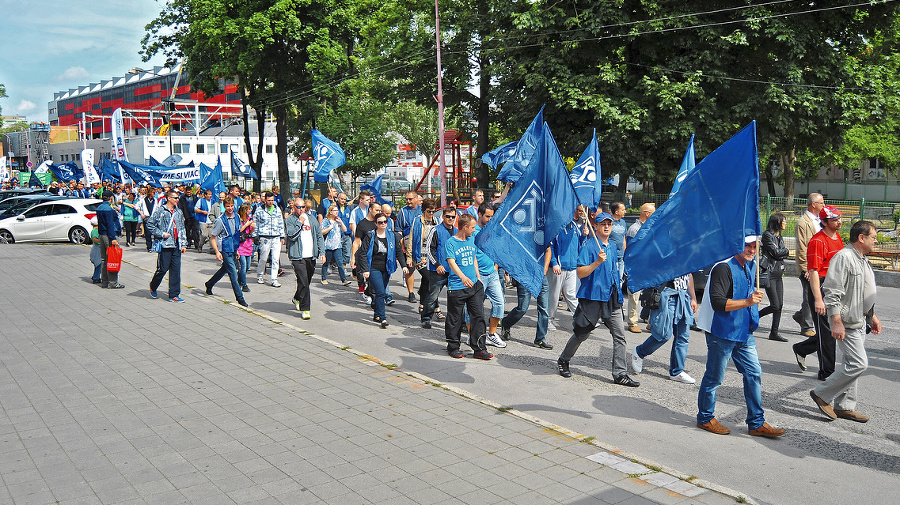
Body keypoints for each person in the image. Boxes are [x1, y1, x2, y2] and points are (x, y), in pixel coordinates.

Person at [695, 237, 785, 438]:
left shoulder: (749, 265)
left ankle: (756, 422)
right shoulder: (723, 268)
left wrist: (750, 301)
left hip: (744, 331)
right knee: (714, 377)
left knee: (754, 373)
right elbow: (719, 303)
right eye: (748, 246)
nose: (752, 250)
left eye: (755, 247)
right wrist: (747, 301)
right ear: (736, 245)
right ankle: (705, 418)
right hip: (722, 332)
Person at [810, 221, 882, 423]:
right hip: (847, 322)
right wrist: (836, 320)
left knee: (852, 363)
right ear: (861, 238)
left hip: (860, 320)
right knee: (859, 363)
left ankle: (845, 406)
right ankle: (822, 394)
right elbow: (832, 291)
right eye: (873, 237)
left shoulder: (861, 258)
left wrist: (871, 315)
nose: (875, 241)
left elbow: (861, 292)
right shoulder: (844, 257)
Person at [556, 213, 638, 386]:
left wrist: (619, 292)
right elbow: (580, 273)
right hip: (592, 297)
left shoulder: (614, 245)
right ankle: (564, 359)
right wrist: (597, 263)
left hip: (611, 297)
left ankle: (620, 374)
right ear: (596, 226)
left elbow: (614, 270)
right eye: (603, 224)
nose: (607, 226)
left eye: (609, 223)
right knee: (582, 334)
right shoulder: (589, 245)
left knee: (620, 336)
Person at [793, 205, 843, 381]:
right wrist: (818, 299)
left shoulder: (838, 238)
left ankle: (802, 349)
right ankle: (827, 373)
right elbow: (813, 271)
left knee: (832, 331)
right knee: (826, 331)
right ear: (824, 222)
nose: (839, 221)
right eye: (835, 219)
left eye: (839, 218)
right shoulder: (817, 241)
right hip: (821, 286)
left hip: (835, 287)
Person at [630, 273, 698, 383]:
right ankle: (640, 352)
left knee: (683, 337)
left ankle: (677, 371)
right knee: (663, 334)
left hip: (683, 295)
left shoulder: (688, 255)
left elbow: (689, 275)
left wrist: (693, 298)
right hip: (667, 294)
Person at [444, 214, 492, 359]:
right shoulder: (451, 243)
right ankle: (453, 347)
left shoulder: (471, 240)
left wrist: (478, 277)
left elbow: (474, 258)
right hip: (457, 286)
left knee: (478, 316)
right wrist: (463, 277)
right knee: (455, 318)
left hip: (474, 285)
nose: (473, 230)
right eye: (472, 227)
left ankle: (479, 349)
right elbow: (451, 262)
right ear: (464, 227)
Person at [358, 212, 409, 328]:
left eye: (385, 222)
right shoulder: (370, 236)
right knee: (381, 292)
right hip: (373, 268)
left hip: (387, 268)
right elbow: (362, 254)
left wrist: (404, 266)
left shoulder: (392, 236)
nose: (383, 224)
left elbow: (399, 252)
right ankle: (383, 318)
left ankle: (376, 314)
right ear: (376, 224)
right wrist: (365, 269)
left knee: (379, 293)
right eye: (380, 222)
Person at [549, 207, 589, 330]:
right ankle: (549, 320)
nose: (580, 213)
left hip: (572, 267)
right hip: (559, 268)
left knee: (572, 294)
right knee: (554, 295)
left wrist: (584, 236)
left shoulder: (576, 226)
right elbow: (550, 246)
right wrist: (554, 262)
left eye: (581, 211)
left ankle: (581, 319)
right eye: (577, 210)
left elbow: (578, 245)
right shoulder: (557, 227)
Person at [472, 203, 506, 347]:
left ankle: (492, 334)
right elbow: (471, 254)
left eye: (492, 216)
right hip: (477, 275)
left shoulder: (492, 229)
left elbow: (496, 248)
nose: (490, 219)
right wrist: (476, 274)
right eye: (487, 216)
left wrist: (496, 265)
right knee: (474, 307)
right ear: (479, 214)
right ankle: (472, 336)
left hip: (492, 273)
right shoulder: (473, 231)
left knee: (499, 303)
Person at [204, 196, 248, 307]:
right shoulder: (220, 220)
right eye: (228, 206)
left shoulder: (237, 217)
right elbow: (213, 237)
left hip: (234, 247)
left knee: (224, 269)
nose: (230, 208)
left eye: (232, 206)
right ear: (224, 207)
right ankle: (240, 298)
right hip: (225, 249)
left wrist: (237, 249)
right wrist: (217, 252)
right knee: (233, 273)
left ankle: (209, 284)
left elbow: (236, 233)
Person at [285, 198, 325, 320]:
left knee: (306, 281)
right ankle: (305, 309)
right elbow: (291, 235)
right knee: (303, 280)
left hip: (311, 255)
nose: (301, 209)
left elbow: (319, 236)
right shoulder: (290, 220)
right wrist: (300, 222)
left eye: (303, 207)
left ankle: (297, 297)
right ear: (294, 208)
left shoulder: (312, 219)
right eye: (299, 207)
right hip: (297, 256)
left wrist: (322, 252)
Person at [420, 205, 457, 329]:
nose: (450, 219)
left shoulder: (457, 231)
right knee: (433, 296)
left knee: (455, 298)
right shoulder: (436, 230)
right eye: (448, 216)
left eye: (453, 217)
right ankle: (426, 318)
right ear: (443, 217)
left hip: (453, 271)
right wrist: (437, 264)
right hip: (438, 270)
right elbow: (429, 249)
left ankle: (457, 322)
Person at [147, 190, 187, 302]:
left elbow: (182, 228)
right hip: (165, 245)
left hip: (176, 245)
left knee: (175, 270)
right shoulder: (161, 211)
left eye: (178, 198)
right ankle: (153, 286)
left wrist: (183, 243)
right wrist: (161, 234)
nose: (177, 200)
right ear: (169, 198)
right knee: (162, 269)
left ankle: (174, 294)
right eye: (175, 198)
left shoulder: (178, 212)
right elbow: (150, 224)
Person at [793, 193, 824, 336]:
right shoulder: (803, 223)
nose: (823, 206)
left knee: (815, 293)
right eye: (821, 203)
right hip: (809, 266)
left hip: (819, 265)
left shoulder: (819, 221)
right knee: (808, 294)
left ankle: (801, 315)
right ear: (813, 204)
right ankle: (806, 327)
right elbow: (802, 247)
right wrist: (806, 268)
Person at [759, 213, 790, 341]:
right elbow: (776, 252)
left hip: (779, 274)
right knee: (775, 305)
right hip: (770, 274)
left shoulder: (779, 237)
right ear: (777, 222)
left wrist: (782, 252)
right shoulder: (767, 235)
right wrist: (786, 251)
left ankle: (774, 332)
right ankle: (753, 318)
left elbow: (779, 253)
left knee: (780, 305)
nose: (785, 224)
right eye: (783, 221)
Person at [624, 203, 655, 333]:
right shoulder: (634, 229)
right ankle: (632, 321)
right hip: (637, 266)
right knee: (634, 295)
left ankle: (651, 321)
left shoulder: (651, 227)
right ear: (646, 213)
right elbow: (631, 250)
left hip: (649, 265)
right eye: (653, 213)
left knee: (653, 294)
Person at [349, 200, 381, 305]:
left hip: (378, 256)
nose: (378, 212)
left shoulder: (380, 223)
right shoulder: (362, 224)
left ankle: (371, 293)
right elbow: (356, 242)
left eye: (380, 210)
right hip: (365, 255)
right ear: (370, 209)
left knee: (376, 279)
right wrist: (353, 257)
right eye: (376, 210)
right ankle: (368, 294)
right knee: (368, 277)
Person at [411, 199, 438, 315]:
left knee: (426, 281)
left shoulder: (436, 221)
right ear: (424, 211)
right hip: (420, 255)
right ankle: (436, 308)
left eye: (433, 211)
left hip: (432, 256)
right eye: (429, 211)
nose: (431, 214)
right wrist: (409, 257)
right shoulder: (417, 221)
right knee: (431, 279)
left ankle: (422, 303)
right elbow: (411, 240)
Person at [254, 191, 285, 288]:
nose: (271, 202)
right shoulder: (260, 210)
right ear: (265, 200)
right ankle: (260, 274)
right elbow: (255, 223)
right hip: (265, 237)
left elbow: (281, 223)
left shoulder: (277, 209)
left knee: (275, 259)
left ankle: (274, 279)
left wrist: (282, 236)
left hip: (276, 236)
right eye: (269, 200)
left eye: (272, 200)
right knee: (263, 258)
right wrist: (255, 235)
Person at [397, 190, 422, 302]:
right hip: (408, 244)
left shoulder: (422, 210)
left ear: (416, 199)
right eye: (407, 199)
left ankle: (423, 289)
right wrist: (402, 245)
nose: (408, 201)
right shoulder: (402, 212)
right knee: (410, 269)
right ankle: (411, 293)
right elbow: (398, 231)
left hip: (422, 244)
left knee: (426, 270)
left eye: (410, 199)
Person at [96, 192, 124, 289]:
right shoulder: (109, 209)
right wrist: (113, 238)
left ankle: (104, 281)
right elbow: (110, 224)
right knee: (112, 258)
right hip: (109, 235)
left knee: (104, 259)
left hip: (102, 234)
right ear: (111, 198)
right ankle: (113, 282)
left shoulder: (99, 207)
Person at [320, 204, 350, 285]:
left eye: (337, 210)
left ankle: (344, 280)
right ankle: (324, 278)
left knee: (340, 263)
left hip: (337, 245)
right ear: (330, 212)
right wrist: (329, 228)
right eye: (335, 210)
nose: (337, 212)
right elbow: (322, 232)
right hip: (328, 245)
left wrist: (341, 222)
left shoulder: (337, 220)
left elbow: (345, 230)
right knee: (326, 262)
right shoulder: (326, 220)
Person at [235, 203, 254, 292]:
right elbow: (238, 230)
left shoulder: (249, 219)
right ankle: (244, 284)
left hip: (248, 244)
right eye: (249, 209)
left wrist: (253, 227)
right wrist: (246, 225)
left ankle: (239, 279)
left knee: (247, 266)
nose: (250, 211)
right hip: (241, 245)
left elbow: (250, 231)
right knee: (243, 265)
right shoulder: (238, 219)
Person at [89, 217, 102, 284]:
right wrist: (102, 241)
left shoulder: (95, 230)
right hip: (97, 249)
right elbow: (95, 239)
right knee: (98, 264)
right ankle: (96, 278)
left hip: (97, 249)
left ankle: (96, 276)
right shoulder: (95, 231)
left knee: (99, 264)